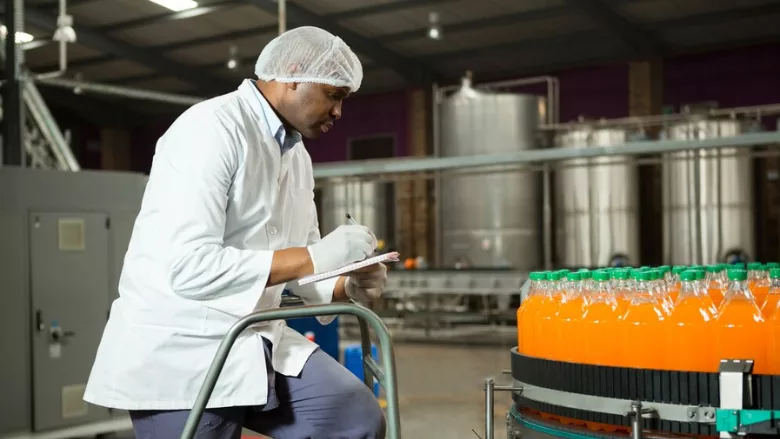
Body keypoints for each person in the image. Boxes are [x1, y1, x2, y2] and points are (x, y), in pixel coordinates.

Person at [83, 26, 388, 439]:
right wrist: (319, 255)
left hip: (257, 337)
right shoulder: (209, 130)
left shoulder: (295, 154)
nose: (338, 112)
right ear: (293, 73)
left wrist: (348, 284)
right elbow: (190, 268)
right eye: (334, 95)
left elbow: (303, 275)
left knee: (352, 416)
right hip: (185, 349)